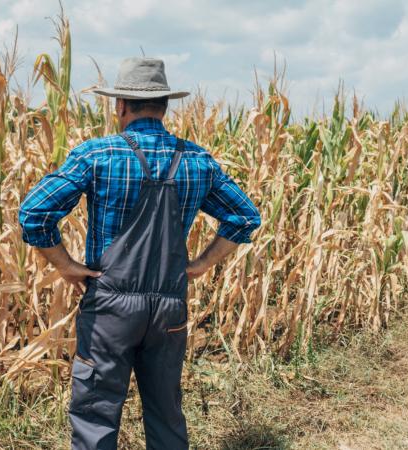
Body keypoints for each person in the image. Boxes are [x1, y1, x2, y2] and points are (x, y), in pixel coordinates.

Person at [19, 57, 260, 450]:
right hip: (169, 306)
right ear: (164, 106)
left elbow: (34, 213)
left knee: (96, 415)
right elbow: (245, 218)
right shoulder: (197, 161)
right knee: (165, 412)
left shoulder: (97, 155)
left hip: (110, 305)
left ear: (120, 105)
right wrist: (199, 265)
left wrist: (66, 267)